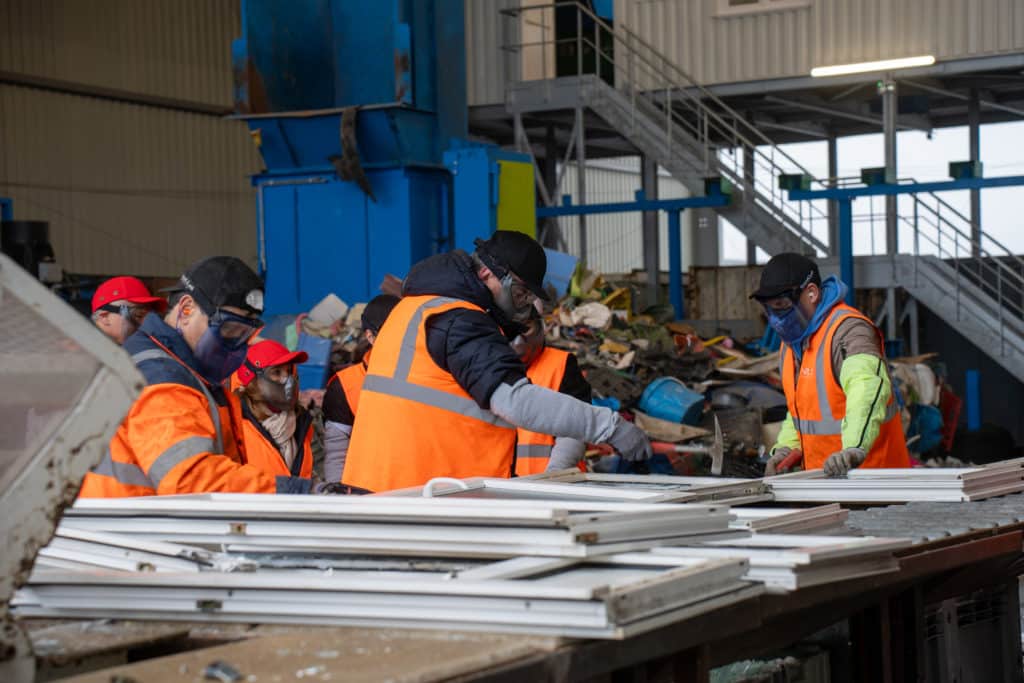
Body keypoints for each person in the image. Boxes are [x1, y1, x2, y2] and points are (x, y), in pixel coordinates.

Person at [342, 230, 651, 492]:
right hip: (425, 496)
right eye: (520, 293)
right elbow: (515, 401)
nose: (524, 305)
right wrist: (611, 427)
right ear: (487, 273)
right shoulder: (459, 319)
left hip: (388, 490)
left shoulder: (416, 308)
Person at [79, 256, 314, 497]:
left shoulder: (193, 373)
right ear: (186, 309)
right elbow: (189, 480)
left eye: (245, 333)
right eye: (229, 330)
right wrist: (295, 491)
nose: (236, 345)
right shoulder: (159, 375)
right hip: (122, 528)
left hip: (138, 525)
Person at [753, 253, 910, 478]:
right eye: (769, 308)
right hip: (822, 485)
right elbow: (801, 410)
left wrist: (853, 448)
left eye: (781, 305)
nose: (775, 318)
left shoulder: (849, 332)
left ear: (812, 293)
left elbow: (866, 390)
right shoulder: (791, 345)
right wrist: (786, 447)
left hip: (874, 483)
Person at [322, 294, 400, 482]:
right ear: (370, 336)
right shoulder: (346, 385)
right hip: (369, 495)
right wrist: (339, 500)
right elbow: (336, 455)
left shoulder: (432, 372)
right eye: (393, 331)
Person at [509, 309, 592, 475]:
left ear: (541, 327)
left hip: (554, 486)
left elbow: (576, 427)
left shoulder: (560, 365)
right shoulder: (485, 365)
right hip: (498, 487)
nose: (518, 341)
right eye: (510, 329)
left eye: (526, 327)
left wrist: (556, 475)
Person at [230, 339, 315, 479]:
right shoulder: (236, 427)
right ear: (252, 380)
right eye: (276, 372)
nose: (287, 379)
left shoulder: (301, 423)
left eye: (289, 371)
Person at [91, 276, 167, 345]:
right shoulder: (85, 354)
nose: (147, 324)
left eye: (150, 316)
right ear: (104, 317)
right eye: (139, 315)